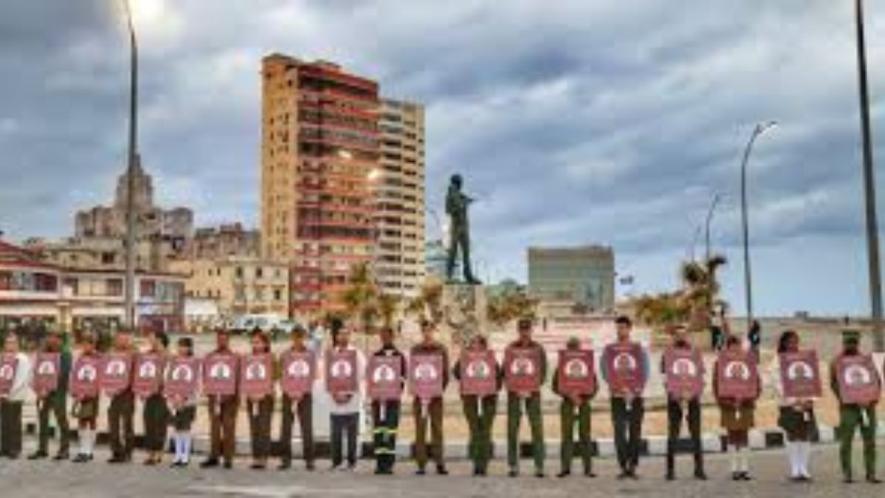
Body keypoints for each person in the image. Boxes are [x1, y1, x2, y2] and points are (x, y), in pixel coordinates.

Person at [601, 315, 649, 479]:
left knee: (635, 432)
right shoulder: (610, 350)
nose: (620, 331)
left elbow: (645, 371)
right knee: (619, 432)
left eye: (623, 327)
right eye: (618, 328)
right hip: (617, 396)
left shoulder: (638, 349)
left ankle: (633, 466)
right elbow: (606, 371)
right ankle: (623, 466)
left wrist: (634, 391)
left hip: (635, 396)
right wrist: (619, 388)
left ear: (629, 329)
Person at [830, 330, 881, 484]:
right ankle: (847, 473)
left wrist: (872, 398)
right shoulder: (836, 362)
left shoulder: (867, 361)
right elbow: (834, 384)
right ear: (843, 343)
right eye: (848, 342)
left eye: (853, 342)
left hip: (868, 407)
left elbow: (877, 381)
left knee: (870, 441)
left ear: (858, 343)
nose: (851, 345)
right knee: (846, 441)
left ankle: (871, 473)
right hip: (848, 408)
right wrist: (847, 398)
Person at [770, 330, 816, 482]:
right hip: (789, 403)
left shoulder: (805, 358)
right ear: (784, 343)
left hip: (806, 403)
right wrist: (794, 399)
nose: (794, 345)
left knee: (805, 434)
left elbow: (813, 380)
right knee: (792, 434)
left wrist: (809, 399)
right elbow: (776, 382)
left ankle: (804, 468)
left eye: (796, 341)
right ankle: (794, 468)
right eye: (790, 342)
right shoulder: (777, 360)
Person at [661, 325, 706, 480]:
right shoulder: (667, 354)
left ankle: (699, 469)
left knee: (696, 435)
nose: (681, 337)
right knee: (673, 435)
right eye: (678, 334)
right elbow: (664, 377)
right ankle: (670, 470)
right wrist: (675, 394)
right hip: (674, 400)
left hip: (693, 399)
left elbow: (700, 375)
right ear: (674, 337)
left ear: (688, 336)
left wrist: (693, 393)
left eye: (684, 334)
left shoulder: (695, 352)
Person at [453, 334, 501, 476]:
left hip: (488, 401)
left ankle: (483, 464)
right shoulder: (466, 358)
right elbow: (456, 373)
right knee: (474, 431)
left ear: (484, 345)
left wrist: (489, 390)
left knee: (485, 432)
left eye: (479, 343)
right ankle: (476, 463)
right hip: (470, 400)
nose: (476, 346)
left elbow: (497, 378)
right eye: (473, 343)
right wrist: (464, 358)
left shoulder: (490, 359)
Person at [713, 335, 760, 481]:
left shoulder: (749, 361)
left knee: (744, 436)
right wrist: (727, 402)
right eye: (732, 345)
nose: (735, 348)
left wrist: (749, 397)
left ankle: (744, 468)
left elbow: (756, 383)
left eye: (737, 345)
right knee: (732, 436)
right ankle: (734, 469)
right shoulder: (719, 362)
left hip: (746, 404)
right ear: (727, 347)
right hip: (729, 405)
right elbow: (716, 385)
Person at [505, 317, 547, 478]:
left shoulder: (538, 349)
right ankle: (513, 465)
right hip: (514, 393)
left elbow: (542, 371)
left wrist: (531, 387)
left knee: (537, 428)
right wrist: (515, 387)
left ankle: (539, 465)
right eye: (522, 330)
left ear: (531, 330)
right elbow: (506, 370)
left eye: (527, 330)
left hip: (533, 393)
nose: (524, 333)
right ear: (518, 330)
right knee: (512, 428)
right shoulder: (511, 348)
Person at [552, 337, 597, 478]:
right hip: (567, 404)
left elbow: (594, 387)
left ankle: (588, 469)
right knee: (567, 436)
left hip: (584, 404)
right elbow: (555, 386)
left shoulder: (587, 364)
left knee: (585, 436)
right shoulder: (561, 366)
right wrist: (569, 394)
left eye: (575, 347)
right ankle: (565, 468)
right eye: (571, 347)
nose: (573, 349)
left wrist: (583, 397)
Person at [411, 320, 450, 475]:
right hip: (419, 397)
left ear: (434, 330)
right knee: (420, 429)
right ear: (422, 332)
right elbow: (413, 372)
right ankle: (421, 463)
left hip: (436, 397)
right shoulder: (416, 349)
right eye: (424, 330)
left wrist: (437, 389)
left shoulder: (441, 349)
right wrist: (419, 390)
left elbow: (445, 373)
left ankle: (439, 462)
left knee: (437, 429)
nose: (427, 333)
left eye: (430, 330)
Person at [327, 323, 366, 471]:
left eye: (346, 334)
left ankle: (352, 462)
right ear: (336, 337)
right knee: (335, 434)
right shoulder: (331, 354)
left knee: (351, 434)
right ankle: (336, 462)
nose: (343, 337)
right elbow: (328, 376)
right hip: (335, 399)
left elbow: (361, 375)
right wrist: (335, 394)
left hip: (352, 400)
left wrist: (349, 394)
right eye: (340, 334)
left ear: (350, 336)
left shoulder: (357, 354)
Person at [28, 330, 71, 461]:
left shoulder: (65, 354)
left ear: (60, 340)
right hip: (43, 392)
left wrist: (50, 386)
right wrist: (38, 388)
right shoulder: (43, 353)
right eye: (49, 337)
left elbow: (63, 374)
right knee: (42, 419)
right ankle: (42, 449)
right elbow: (37, 371)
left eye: (54, 337)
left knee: (61, 419)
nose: (51, 340)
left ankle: (64, 449)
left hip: (58, 392)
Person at [201, 329, 240, 469]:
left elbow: (238, 378)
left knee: (229, 428)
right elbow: (206, 376)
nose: (221, 341)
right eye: (219, 339)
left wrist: (232, 394)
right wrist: (209, 391)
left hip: (230, 399)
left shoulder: (235, 357)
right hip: (214, 398)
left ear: (228, 340)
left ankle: (228, 458)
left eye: (224, 339)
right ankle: (214, 456)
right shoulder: (210, 357)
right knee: (215, 428)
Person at [371, 327, 407, 475]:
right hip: (378, 401)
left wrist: (393, 391)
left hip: (392, 401)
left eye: (387, 335)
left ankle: (389, 463)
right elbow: (371, 377)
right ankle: (380, 463)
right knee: (379, 431)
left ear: (392, 337)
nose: (384, 338)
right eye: (382, 335)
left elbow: (403, 378)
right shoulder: (375, 356)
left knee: (390, 431)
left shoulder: (399, 356)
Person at [279, 326, 316, 471]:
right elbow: (281, 375)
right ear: (292, 337)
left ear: (304, 337)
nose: (297, 339)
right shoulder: (285, 355)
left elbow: (312, 375)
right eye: (295, 336)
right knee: (286, 428)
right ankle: (285, 459)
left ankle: (310, 460)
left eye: (300, 337)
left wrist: (301, 392)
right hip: (288, 395)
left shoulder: (310, 355)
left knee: (306, 428)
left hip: (305, 395)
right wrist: (288, 391)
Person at [0, 333, 32, 458]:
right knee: (4, 422)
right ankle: (5, 447)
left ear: (17, 344)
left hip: (16, 395)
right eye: (8, 342)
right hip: (3, 395)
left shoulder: (22, 358)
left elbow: (22, 379)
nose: (10, 345)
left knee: (14, 423)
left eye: (12, 342)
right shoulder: (3, 358)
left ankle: (15, 449)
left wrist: (9, 392)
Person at [106, 330, 135, 464]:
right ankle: (116, 451)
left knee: (127, 423)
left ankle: (128, 452)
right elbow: (106, 371)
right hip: (114, 394)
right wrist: (107, 386)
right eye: (120, 339)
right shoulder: (111, 354)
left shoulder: (134, 354)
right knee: (113, 422)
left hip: (128, 393)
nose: (122, 342)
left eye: (125, 339)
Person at [247, 330, 274, 470]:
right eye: (253, 342)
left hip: (265, 398)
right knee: (254, 427)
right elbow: (245, 378)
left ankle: (264, 457)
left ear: (265, 344)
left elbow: (272, 378)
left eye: (258, 342)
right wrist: (250, 393)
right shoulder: (248, 358)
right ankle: (255, 457)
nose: (255, 345)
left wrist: (262, 394)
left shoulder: (270, 358)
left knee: (264, 427)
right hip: (251, 398)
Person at [168, 337, 197, 467]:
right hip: (175, 400)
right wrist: (173, 397)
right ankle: (178, 454)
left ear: (190, 348)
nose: (181, 349)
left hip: (188, 401)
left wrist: (184, 397)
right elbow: (169, 379)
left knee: (186, 428)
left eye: (185, 346)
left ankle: (186, 455)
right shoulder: (174, 362)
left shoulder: (194, 362)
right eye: (179, 346)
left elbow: (195, 382)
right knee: (177, 428)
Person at [142, 331, 169, 466]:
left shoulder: (168, 356)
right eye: (150, 340)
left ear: (161, 340)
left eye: (154, 339)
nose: (151, 342)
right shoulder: (147, 355)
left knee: (160, 423)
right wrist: (141, 389)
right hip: (148, 394)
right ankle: (150, 452)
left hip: (162, 395)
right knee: (149, 421)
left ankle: (158, 452)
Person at [72, 332, 100, 463]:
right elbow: (75, 374)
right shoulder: (80, 357)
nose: (85, 346)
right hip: (80, 394)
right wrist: (75, 392)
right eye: (83, 344)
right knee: (82, 420)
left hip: (92, 394)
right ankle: (84, 449)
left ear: (93, 344)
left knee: (91, 420)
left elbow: (100, 376)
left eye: (88, 343)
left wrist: (90, 392)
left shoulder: (99, 357)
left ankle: (89, 450)